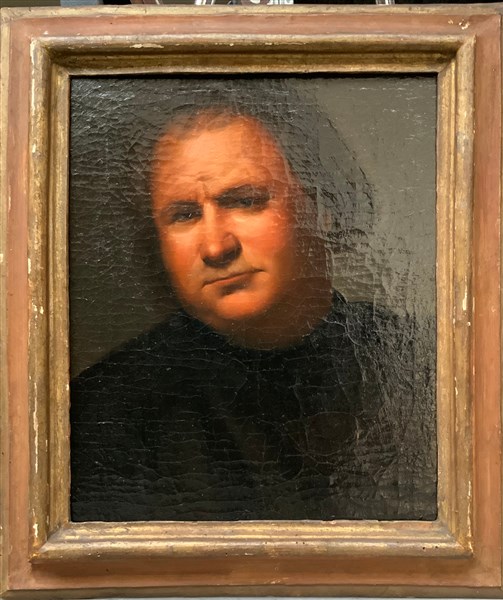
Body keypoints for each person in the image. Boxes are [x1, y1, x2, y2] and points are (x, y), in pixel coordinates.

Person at [70, 100, 437, 522]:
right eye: (184, 215)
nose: (215, 246)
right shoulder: (103, 413)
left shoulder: (422, 366)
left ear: (321, 208)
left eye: (244, 201)